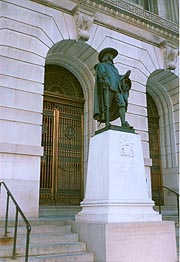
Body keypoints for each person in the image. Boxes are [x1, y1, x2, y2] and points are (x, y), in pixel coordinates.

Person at [94, 47, 133, 128]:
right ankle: (107, 123)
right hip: (108, 87)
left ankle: (123, 123)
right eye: (111, 54)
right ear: (107, 55)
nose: (112, 56)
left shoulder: (115, 68)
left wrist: (125, 77)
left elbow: (117, 78)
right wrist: (105, 79)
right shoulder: (101, 65)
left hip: (117, 89)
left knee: (122, 104)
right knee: (107, 105)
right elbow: (102, 74)